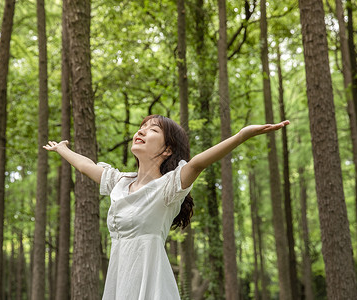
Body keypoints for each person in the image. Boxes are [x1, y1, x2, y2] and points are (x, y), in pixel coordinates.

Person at [44, 114, 289, 300]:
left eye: (152, 130)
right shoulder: (119, 183)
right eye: (141, 127)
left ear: (167, 149)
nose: (141, 131)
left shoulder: (168, 187)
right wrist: (63, 149)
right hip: (120, 282)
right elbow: (86, 165)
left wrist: (241, 136)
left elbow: (198, 164)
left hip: (152, 284)